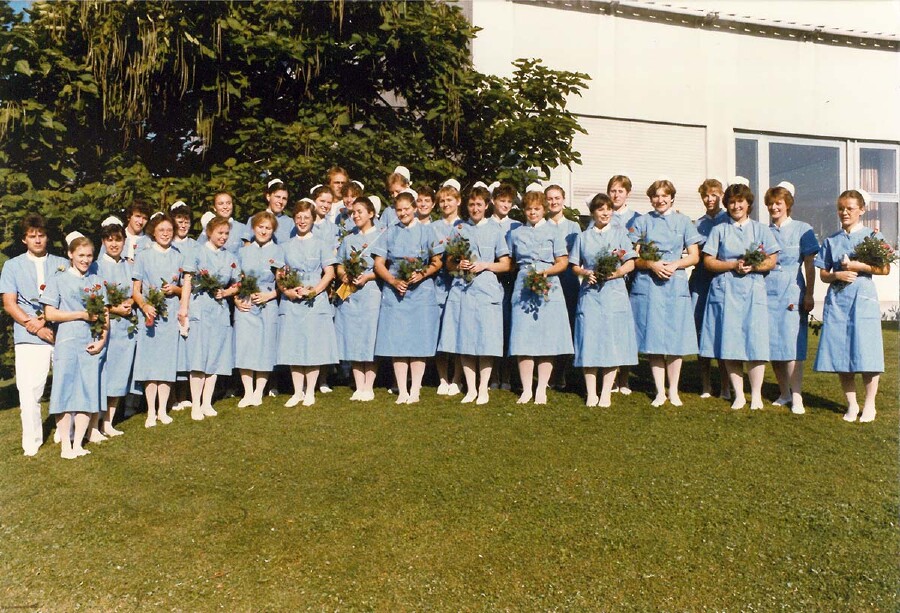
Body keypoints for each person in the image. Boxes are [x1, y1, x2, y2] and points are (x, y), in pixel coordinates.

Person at [699, 182, 780, 410]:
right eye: (732, 202)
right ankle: (738, 395)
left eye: (740, 202)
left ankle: (755, 395)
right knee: (730, 343)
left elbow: (772, 260)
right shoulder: (720, 230)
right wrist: (733, 264)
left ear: (748, 204)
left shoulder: (761, 229)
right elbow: (708, 261)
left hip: (753, 291)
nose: (736, 206)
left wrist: (754, 267)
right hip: (726, 292)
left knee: (755, 344)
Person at [814, 189, 890, 423]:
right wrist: (837, 275)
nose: (845, 212)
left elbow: (884, 269)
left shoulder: (872, 237)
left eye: (850, 208)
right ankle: (851, 404)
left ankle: (869, 405)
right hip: (838, 301)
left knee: (866, 352)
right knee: (840, 352)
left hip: (862, 299)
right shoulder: (831, 240)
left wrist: (859, 266)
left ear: (862, 210)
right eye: (841, 208)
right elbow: (823, 274)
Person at [628, 179, 701, 407]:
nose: (660, 200)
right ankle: (660, 390)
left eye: (664, 196)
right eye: (656, 196)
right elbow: (631, 255)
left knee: (675, 339)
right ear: (651, 199)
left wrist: (675, 265)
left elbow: (694, 256)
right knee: (654, 339)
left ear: (672, 198)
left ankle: (674, 390)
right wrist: (651, 264)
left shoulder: (684, 222)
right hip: (649, 285)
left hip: (675, 283)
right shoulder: (642, 222)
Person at [0, 213, 69, 456]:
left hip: (60, 333)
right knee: (30, 391)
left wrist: (47, 322)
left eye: (41, 235)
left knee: (65, 384)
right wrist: (36, 325)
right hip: (29, 336)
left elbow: (68, 298)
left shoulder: (62, 263)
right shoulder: (12, 266)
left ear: (47, 237)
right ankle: (32, 441)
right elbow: (9, 303)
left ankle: (65, 431)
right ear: (24, 240)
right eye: (32, 236)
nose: (38, 240)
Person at [438, 186, 511, 404]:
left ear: (487, 206)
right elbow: (448, 263)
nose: (475, 208)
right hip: (463, 290)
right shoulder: (459, 229)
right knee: (466, 340)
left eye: (479, 204)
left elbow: (506, 264)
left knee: (486, 340)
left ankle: (483, 388)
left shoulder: (496, 230)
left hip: (487, 289)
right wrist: (457, 263)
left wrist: (484, 265)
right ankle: (470, 389)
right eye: (471, 204)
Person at [372, 190, 444, 404]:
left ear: (415, 208)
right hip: (396, 293)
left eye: (406, 209)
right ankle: (402, 389)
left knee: (418, 341)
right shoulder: (389, 232)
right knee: (398, 341)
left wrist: (421, 274)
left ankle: (415, 389)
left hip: (421, 292)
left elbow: (438, 261)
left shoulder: (427, 231)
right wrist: (394, 282)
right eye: (399, 210)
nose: (403, 213)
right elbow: (378, 264)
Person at [41, 235, 108, 459]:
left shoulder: (96, 281)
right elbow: (50, 313)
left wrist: (102, 340)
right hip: (67, 341)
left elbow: (105, 315)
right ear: (70, 254)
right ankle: (65, 446)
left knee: (87, 392)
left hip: (90, 342)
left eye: (89, 255)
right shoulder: (58, 279)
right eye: (81, 255)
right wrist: (80, 314)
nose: (85, 260)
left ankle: (78, 443)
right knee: (65, 392)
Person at [569, 194, 638, 407]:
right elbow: (574, 265)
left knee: (612, 342)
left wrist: (616, 274)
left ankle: (606, 391)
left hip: (614, 294)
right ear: (593, 213)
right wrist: (585, 272)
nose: (605, 213)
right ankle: (591, 392)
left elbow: (631, 263)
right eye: (601, 209)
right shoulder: (583, 237)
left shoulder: (620, 234)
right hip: (590, 295)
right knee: (588, 340)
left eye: (609, 209)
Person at [508, 191, 574, 405]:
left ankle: (541, 389)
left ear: (544, 210)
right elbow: (511, 263)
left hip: (549, 285)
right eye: (529, 209)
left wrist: (546, 272)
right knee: (523, 337)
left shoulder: (554, 232)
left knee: (547, 338)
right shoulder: (516, 233)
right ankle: (527, 389)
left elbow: (563, 261)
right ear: (524, 211)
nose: (533, 212)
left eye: (537, 208)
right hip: (524, 286)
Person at [276, 200, 339, 407]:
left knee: (313, 346)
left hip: (315, 301)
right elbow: (279, 275)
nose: (302, 221)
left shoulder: (321, 244)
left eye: (307, 217)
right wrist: (288, 291)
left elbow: (329, 273)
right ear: (294, 219)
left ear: (313, 219)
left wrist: (314, 290)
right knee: (294, 345)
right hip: (292, 301)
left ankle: (310, 391)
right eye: (299, 217)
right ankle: (297, 392)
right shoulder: (285, 246)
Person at [764, 182, 819, 414]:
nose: (774, 207)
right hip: (767, 292)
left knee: (792, 345)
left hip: (791, 290)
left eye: (778, 203)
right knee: (773, 345)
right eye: (771, 203)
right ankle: (784, 392)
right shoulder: (764, 231)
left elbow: (809, 265)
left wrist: (809, 293)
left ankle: (797, 397)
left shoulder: (801, 229)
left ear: (788, 205)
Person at [132, 214, 191, 427]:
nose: (165, 233)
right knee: (150, 364)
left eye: (169, 230)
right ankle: (150, 412)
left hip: (170, 314)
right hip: (149, 315)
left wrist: (174, 289)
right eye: (161, 230)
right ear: (153, 233)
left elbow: (185, 287)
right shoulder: (144, 255)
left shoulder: (179, 256)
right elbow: (136, 290)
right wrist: (145, 306)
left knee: (166, 363)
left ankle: (162, 410)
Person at [182, 216, 239, 420]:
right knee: (199, 357)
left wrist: (226, 293)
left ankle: (207, 402)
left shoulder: (230, 257)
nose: (223, 237)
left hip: (219, 311)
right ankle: (195, 404)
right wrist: (183, 309)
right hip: (199, 309)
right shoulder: (196, 253)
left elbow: (238, 283)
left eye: (226, 234)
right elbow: (187, 282)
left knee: (215, 357)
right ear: (209, 232)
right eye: (220, 233)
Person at [334, 197, 385, 401]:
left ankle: (369, 385)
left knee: (369, 335)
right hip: (351, 294)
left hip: (371, 291)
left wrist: (368, 276)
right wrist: (343, 275)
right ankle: (359, 384)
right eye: (353, 212)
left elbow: (384, 267)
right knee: (353, 335)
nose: (355, 215)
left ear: (371, 214)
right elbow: (339, 264)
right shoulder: (348, 239)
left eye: (360, 212)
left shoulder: (381, 236)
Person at [234, 211, 284, 407]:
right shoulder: (242, 251)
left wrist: (269, 296)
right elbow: (237, 279)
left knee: (265, 346)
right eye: (260, 227)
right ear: (254, 228)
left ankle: (258, 392)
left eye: (268, 228)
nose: (264, 231)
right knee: (245, 346)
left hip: (267, 303)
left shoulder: (278, 251)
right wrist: (237, 300)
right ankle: (247, 392)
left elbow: (282, 282)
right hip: (246, 303)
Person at [689, 179, 731, 399]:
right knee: (700, 331)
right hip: (701, 281)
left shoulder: (729, 219)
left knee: (722, 330)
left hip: (724, 280)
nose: (710, 199)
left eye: (714, 195)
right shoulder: (698, 224)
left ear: (721, 196)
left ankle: (725, 385)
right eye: (706, 195)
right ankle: (706, 384)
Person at [96, 218, 137, 437]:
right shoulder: (96, 266)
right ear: (103, 241)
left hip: (126, 330)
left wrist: (130, 303)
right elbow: (92, 298)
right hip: (106, 328)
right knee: (103, 374)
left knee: (120, 373)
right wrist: (114, 308)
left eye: (118, 240)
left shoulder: (128, 266)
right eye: (109, 240)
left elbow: (135, 291)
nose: (114, 244)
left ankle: (109, 421)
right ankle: (95, 422)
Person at [545, 184, 582, 389]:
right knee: (549, 326)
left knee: (566, 326)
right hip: (547, 280)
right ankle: (546, 372)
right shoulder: (542, 225)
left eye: (557, 198)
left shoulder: (573, 226)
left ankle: (561, 373)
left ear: (564, 199)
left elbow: (576, 254)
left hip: (567, 281)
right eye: (550, 198)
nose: (553, 202)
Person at [607, 175, 640, 394]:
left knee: (626, 328)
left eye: (620, 191)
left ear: (627, 193)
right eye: (613, 190)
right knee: (610, 327)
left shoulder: (637, 218)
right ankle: (610, 375)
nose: (616, 195)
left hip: (629, 277)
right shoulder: (602, 214)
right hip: (609, 280)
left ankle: (624, 378)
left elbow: (638, 248)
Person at [432, 183, 466, 395]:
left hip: (459, 284)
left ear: (458, 201)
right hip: (437, 284)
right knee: (439, 333)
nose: (445, 204)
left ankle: (457, 379)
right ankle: (442, 378)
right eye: (442, 200)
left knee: (457, 331)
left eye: (449, 200)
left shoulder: (464, 226)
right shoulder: (433, 227)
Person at [489, 183, 522, 390]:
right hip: (490, 279)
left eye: (509, 202)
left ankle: (507, 375)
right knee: (492, 328)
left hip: (510, 281)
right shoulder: (485, 223)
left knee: (508, 328)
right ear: (493, 201)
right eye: (502, 201)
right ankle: (492, 374)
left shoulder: (516, 226)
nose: (506, 205)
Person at [250, 179, 292, 244]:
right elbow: (247, 245)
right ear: (268, 196)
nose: (280, 201)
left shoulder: (291, 223)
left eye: (284, 198)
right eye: (277, 197)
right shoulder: (254, 219)